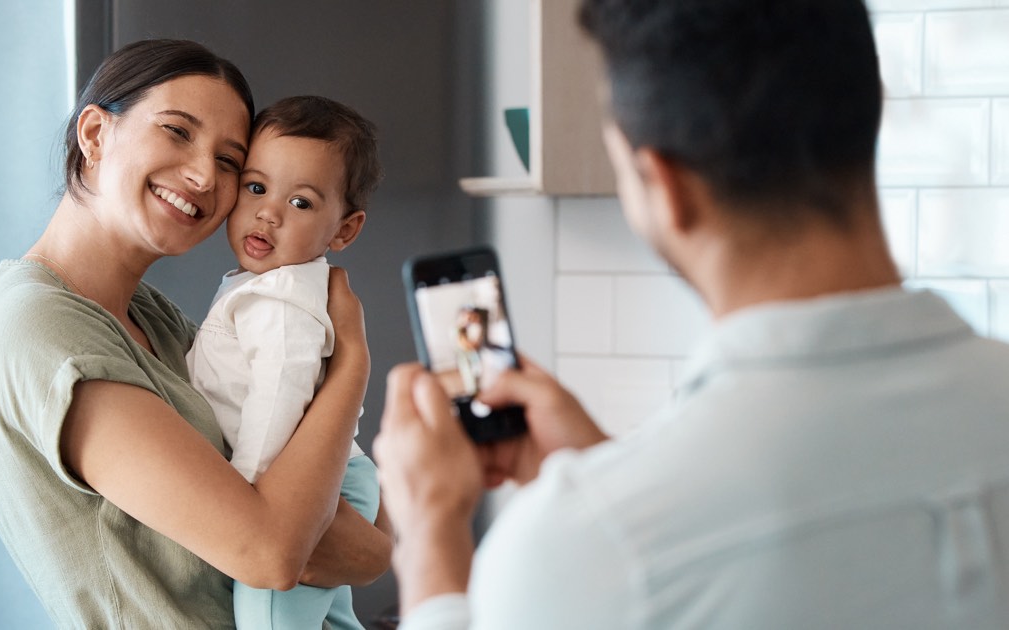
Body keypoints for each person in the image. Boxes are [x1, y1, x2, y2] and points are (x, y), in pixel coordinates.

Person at [373, 1, 1009, 628]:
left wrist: (431, 540)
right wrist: (606, 471)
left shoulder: (578, 552)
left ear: (665, 186)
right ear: (870, 110)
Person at [0, 39, 391, 628]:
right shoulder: (42, 330)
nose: (201, 175)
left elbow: (352, 541)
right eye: (178, 131)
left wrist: (363, 548)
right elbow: (271, 551)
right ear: (94, 134)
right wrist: (352, 366)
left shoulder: (148, 316)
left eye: (229, 162)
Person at [184, 95, 383, 630]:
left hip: (305, 490)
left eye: (301, 203)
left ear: (343, 230)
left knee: (267, 617)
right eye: (256, 187)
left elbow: (278, 395)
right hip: (330, 478)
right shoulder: (267, 287)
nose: (269, 211)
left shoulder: (282, 302)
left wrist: (247, 497)